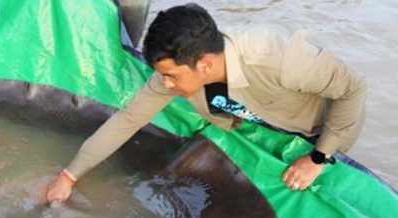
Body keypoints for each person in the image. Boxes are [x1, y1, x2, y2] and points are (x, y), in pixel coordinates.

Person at [45, 3, 367, 203]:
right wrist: (70, 175)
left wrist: (319, 158)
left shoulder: (276, 57)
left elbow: (353, 90)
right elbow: (127, 119)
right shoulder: (178, 70)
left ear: (205, 64)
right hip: (258, 122)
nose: (165, 84)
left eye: (171, 75)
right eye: (162, 75)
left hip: (318, 130)